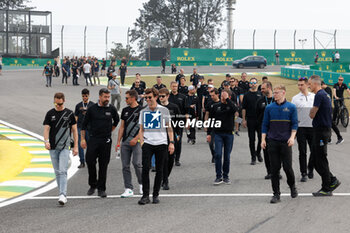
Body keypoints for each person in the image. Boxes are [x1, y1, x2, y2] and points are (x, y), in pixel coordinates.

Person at [261, 84, 298, 204]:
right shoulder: (269, 108)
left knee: (287, 168)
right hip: (272, 142)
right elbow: (265, 125)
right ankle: (276, 194)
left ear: (283, 93)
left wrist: (292, 138)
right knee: (274, 169)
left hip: (286, 142)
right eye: (274, 92)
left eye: (277, 92)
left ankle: (292, 186)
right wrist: (263, 140)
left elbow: (294, 125)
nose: (274, 94)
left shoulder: (291, 107)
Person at [137, 87, 175, 205]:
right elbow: (141, 129)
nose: (148, 99)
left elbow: (169, 127)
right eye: (146, 97)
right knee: (145, 169)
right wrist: (141, 142)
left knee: (159, 170)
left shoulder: (164, 110)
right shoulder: (143, 111)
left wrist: (171, 143)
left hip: (161, 143)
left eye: (150, 97)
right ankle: (145, 195)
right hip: (148, 143)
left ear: (156, 97)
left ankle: (155, 195)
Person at [81, 88, 120, 198]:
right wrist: (82, 139)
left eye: (108, 97)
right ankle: (93, 184)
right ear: (100, 97)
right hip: (93, 139)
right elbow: (84, 125)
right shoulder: (92, 109)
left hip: (106, 140)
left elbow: (116, 121)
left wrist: (109, 131)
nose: (107, 99)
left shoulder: (112, 109)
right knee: (90, 161)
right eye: (105, 97)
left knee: (103, 165)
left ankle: (101, 189)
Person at [43, 93, 78, 205]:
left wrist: (76, 146)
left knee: (62, 170)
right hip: (53, 147)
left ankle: (62, 194)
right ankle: (61, 192)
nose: (58, 106)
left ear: (64, 101)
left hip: (65, 147)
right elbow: (46, 129)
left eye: (60, 104)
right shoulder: (50, 113)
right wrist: (46, 141)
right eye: (56, 103)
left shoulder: (69, 113)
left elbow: (74, 131)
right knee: (57, 171)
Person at [309, 75, 341, 196]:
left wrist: (311, 112)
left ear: (316, 84)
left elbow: (312, 114)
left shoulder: (319, 95)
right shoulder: (325, 95)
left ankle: (327, 187)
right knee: (316, 160)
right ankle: (331, 180)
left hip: (321, 131)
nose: (309, 86)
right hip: (321, 130)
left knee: (320, 160)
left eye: (310, 84)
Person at [116, 90, 143, 198]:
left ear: (133, 98)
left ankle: (142, 184)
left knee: (137, 163)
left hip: (137, 141)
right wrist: (118, 142)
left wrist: (136, 139)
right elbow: (122, 127)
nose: (125, 100)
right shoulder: (125, 110)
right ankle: (128, 188)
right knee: (125, 166)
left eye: (127, 98)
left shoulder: (142, 110)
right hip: (125, 141)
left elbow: (143, 127)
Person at [207, 89, 237, 185]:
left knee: (227, 156)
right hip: (218, 133)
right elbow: (211, 120)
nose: (222, 97)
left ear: (229, 97)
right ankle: (218, 176)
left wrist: (227, 99)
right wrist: (208, 133)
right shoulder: (216, 106)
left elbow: (235, 109)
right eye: (221, 96)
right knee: (218, 154)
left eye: (224, 96)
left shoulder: (231, 106)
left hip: (229, 134)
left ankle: (226, 176)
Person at [291, 77, 315, 182]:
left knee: (314, 151)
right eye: (298, 85)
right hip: (300, 128)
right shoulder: (295, 98)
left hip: (313, 128)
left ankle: (311, 168)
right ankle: (303, 173)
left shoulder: (314, 96)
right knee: (302, 151)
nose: (300, 87)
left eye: (301, 85)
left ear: (307, 85)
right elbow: (292, 115)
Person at [158, 88, 181, 190]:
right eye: (159, 96)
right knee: (163, 159)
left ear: (167, 96)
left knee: (171, 160)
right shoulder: (156, 108)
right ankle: (165, 181)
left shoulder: (174, 107)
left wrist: (178, 134)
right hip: (160, 136)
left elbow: (179, 121)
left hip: (171, 135)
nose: (161, 98)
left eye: (163, 96)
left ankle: (165, 178)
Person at [242, 78, 263, 165]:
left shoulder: (261, 94)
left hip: (260, 120)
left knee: (261, 138)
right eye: (252, 83)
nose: (253, 84)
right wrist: (243, 120)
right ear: (250, 84)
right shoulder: (246, 95)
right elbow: (243, 108)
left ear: (257, 84)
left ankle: (258, 152)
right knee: (252, 139)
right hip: (250, 119)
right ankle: (253, 157)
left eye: (255, 82)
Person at [256, 81, 274, 179]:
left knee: (276, 151)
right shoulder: (260, 100)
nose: (261, 90)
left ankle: (276, 171)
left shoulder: (277, 99)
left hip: (276, 130)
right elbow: (257, 115)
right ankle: (269, 171)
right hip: (264, 129)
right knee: (266, 151)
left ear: (269, 88)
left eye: (263, 88)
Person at [74, 89, 94, 168]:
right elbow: (76, 116)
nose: (84, 98)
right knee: (80, 144)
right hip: (80, 127)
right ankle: (82, 161)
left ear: (89, 95)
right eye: (83, 96)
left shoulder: (92, 105)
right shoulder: (78, 105)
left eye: (86, 96)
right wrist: (74, 127)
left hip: (89, 128)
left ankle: (89, 160)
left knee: (90, 144)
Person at [168, 81, 186, 166]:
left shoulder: (182, 97)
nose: (174, 88)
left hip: (179, 122)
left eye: (176, 86)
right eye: (173, 86)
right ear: (170, 87)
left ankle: (177, 159)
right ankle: (170, 156)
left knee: (178, 141)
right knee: (169, 140)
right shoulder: (168, 97)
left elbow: (186, 110)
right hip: (168, 122)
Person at [321, 81, 343, 145]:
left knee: (331, 124)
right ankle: (329, 139)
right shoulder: (324, 90)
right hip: (325, 109)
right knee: (328, 124)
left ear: (323, 84)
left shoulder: (327, 89)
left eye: (321, 86)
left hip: (327, 109)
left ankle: (339, 137)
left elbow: (327, 99)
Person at [204, 88, 220, 163]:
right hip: (211, 125)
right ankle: (214, 155)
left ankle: (218, 156)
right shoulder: (209, 103)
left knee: (219, 143)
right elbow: (207, 114)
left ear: (217, 95)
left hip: (220, 126)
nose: (212, 97)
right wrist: (205, 124)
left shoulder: (222, 102)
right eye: (211, 96)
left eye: (213, 95)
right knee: (211, 143)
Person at [333, 76, 350, 144]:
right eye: (339, 80)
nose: (341, 81)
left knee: (344, 106)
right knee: (336, 108)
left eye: (342, 80)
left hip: (341, 98)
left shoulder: (344, 85)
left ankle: (343, 115)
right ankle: (334, 119)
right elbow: (334, 91)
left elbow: (348, 90)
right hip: (336, 98)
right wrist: (335, 96)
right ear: (338, 80)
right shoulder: (335, 85)